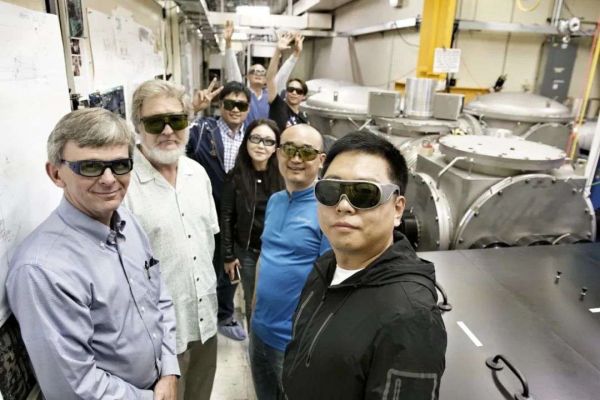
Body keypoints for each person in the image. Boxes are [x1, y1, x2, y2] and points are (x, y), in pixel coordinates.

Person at [6, 108, 179, 400]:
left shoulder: (127, 221)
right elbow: (72, 387)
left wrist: (170, 370)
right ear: (56, 174)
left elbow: (159, 296)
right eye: (90, 167)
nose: (109, 179)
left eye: (120, 165)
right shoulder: (42, 270)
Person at [282, 131, 447, 399]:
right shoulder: (326, 266)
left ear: (397, 209)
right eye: (331, 190)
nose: (343, 205)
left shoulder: (411, 316)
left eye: (364, 193)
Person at [124, 80, 219, 400]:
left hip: (204, 324)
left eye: (176, 120)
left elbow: (207, 245)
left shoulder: (197, 174)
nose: (168, 130)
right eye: (155, 122)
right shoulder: (124, 186)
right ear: (138, 127)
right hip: (158, 339)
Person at [250, 124, 330, 399]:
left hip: (294, 344)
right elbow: (265, 256)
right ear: (278, 154)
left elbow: (331, 284)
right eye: (289, 150)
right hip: (259, 331)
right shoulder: (275, 201)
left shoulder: (328, 211)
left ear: (321, 160)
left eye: (306, 152)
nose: (296, 159)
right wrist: (254, 309)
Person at [187, 79, 251, 341]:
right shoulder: (202, 130)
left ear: (248, 109)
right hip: (204, 211)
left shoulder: (253, 136)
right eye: (230, 103)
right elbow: (175, 139)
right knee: (203, 264)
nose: (235, 109)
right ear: (220, 105)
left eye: (241, 105)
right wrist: (192, 110)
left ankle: (225, 314)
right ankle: (201, 312)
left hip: (238, 215)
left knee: (232, 266)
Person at [220, 118, 284, 328]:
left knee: (277, 299)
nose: (261, 145)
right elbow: (227, 217)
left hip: (277, 252)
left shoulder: (283, 177)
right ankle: (254, 343)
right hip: (248, 253)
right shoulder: (235, 177)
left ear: (276, 148)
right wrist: (228, 255)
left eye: (268, 141)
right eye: (255, 138)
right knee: (252, 301)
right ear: (246, 141)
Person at [223, 20, 302, 125]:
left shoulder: (270, 95)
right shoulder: (243, 94)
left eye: (262, 72)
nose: (258, 74)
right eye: (254, 71)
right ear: (247, 76)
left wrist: (296, 54)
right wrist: (228, 43)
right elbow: (233, 72)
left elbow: (282, 75)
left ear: (266, 78)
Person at [266, 32, 309, 132]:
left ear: (303, 97)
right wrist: (278, 51)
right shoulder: (278, 106)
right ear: (286, 92)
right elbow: (270, 79)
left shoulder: (304, 118)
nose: (294, 92)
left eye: (298, 91)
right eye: (291, 89)